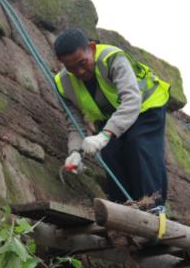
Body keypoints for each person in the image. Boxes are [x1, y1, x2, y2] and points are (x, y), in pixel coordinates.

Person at [53, 28, 170, 207]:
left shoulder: (112, 58)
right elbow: (74, 123)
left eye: (82, 63)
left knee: (139, 145)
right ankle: (122, 208)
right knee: (110, 153)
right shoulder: (63, 83)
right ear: (61, 62)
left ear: (92, 48)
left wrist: (105, 134)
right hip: (112, 117)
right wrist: (75, 152)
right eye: (71, 67)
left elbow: (131, 100)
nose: (80, 71)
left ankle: (152, 207)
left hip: (146, 106)